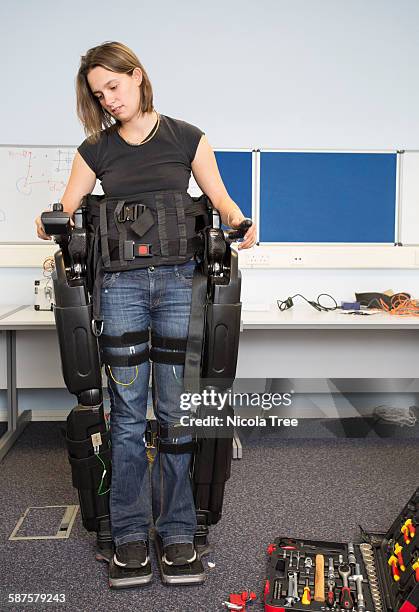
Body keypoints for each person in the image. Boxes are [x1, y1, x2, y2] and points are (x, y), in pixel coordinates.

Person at [35, 41, 256, 574]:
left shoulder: (188, 137)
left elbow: (222, 202)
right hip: (122, 289)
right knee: (130, 417)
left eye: (113, 86)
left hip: (181, 284)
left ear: (137, 76)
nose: (108, 99)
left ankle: (178, 530)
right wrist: (49, 221)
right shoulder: (95, 150)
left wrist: (240, 220)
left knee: (177, 415)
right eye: (98, 93)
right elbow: (65, 209)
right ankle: (131, 532)